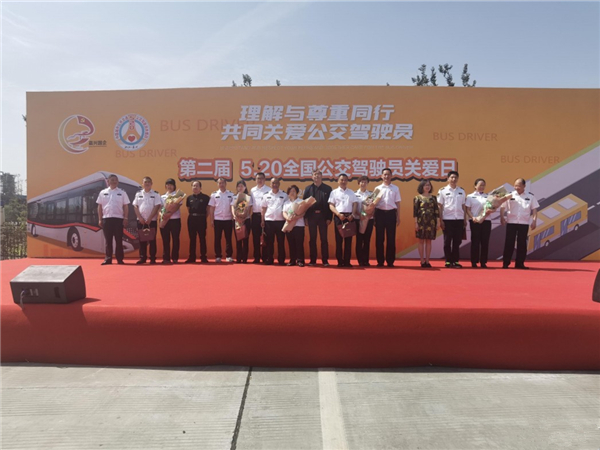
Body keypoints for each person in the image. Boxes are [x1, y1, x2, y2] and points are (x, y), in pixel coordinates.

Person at [501, 178, 539, 269]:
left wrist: (534, 221)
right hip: (511, 222)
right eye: (515, 185)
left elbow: (534, 209)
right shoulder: (509, 195)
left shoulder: (530, 196)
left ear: (524, 186)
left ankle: (520, 263)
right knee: (509, 243)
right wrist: (502, 217)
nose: (516, 187)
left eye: (519, 186)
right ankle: (506, 263)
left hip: (523, 223)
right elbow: (503, 207)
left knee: (522, 244)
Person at [96, 174, 130, 265]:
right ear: (108, 181)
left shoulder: (122, 192)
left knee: (119, 240)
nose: (114, 181)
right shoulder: (103, 192)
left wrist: (125, 218)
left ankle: (120, 259)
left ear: (117, 182)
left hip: (118, 219)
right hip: (106, 219)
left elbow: (126, 206)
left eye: (115, 180)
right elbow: (99, 206)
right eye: (112, 180)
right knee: (108, 240)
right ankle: (108, 259)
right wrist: (100, 219)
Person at [437, 171, 466, 268]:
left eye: (455, 177)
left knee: (457, 241)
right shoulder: (442, 191)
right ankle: (448, 261)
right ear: (448, 179)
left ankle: (456, 261)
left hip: (459, 219)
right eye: (452, 177)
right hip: (447, 219)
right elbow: (440, 206)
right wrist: (440, 220)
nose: (454, 179)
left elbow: (463, 206)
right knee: (447, 241)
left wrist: (464, 219)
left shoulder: (461, 191)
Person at [303, 170, 332, 267]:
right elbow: (304, 204)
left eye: (318, 174)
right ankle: (313, 260)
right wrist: (305, 218)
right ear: (312, 177)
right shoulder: (308, 189)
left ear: (321, 176)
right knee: (312, 239)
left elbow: (330, 204)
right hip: (311, 217)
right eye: (315, 175)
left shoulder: (327, 189)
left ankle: (325, 260)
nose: (317, 176)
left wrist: (329, 217)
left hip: (323, 217)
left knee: (324, 239)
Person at [329, 173, 358, 268]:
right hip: (339, 217)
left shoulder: (351, 192)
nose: (343, 181)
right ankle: (339, 261)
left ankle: (347, 261)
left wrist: (352, 214)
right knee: (339, 241)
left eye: (345, 180)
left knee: (348, 241)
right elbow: (331, 205)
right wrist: (338, 214)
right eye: (341, 180)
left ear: (347, 181)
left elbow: (355, 204)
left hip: (349, 217)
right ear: (338, 181)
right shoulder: (334, 192)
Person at [374, 168, 401, 267]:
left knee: (391, 238)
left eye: (388, 174)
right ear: (381, 176)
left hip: (391, 214)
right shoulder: (377, 188)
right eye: (384, 174)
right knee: (379, 238)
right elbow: (372, 203)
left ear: (391, 176)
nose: (386, 176)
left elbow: (398, 203)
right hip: (379, 213)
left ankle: (390, 261)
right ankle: (380, 261)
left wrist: (398, 216)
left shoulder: (395, 188)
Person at [132, 176, 162, 265]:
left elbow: (157, 206)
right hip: (140, 220)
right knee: (142, 240)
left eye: (149, 182)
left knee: (152, 240)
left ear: (151, 184)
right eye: (145, 182)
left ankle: (152, 258)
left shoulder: (156, 194)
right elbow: (135, 206)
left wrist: (150, 218)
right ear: (142, 184)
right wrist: (140, 218)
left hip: (151, 220)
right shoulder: (138, 194)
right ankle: (142, 258)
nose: (147, 183)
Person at [465, 178, 492, 268]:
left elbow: (491, 208)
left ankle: (483, 262)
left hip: (486, 221)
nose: (482, 187)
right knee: (475, 241)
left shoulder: (488, 196)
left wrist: (485, 215)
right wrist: (473, 217)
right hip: (475, 221)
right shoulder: (470, 196)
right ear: (475, 186)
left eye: (483, 185)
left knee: (485, 242)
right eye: (480, 185)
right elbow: (467, 209)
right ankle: (474, 261)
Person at [261, 177, 288, 265]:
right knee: (269, 242)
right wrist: (262, 220)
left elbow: (287, 208)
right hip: (269, 221)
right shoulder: (266, 195)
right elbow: (263, 208)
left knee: (281, 241)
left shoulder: (284, 195)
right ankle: (269, 259)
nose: (274, 185)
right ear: (270, 184)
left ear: (279, 184)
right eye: (273, 183)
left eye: (276, 183)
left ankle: (281, 260)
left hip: (281, 221)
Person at [413, 179, 439, 268]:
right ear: (422, 187)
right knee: (421, 241)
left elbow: (436, 211)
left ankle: (427, 261)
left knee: (428, 241)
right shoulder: (417, 198)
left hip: (431, 222)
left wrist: (437, 222)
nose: (427, 187)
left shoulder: (433, 198)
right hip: (421, 222)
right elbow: (415, 212)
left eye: (429, 185)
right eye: (425, 185)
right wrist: (416, 223)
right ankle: (421, 260)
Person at [208, 177, 234, 263]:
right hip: (217, 219)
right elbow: (211, 208)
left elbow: (233, 207)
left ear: (226, 184)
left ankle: (229, 255)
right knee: (217, 238)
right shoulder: (214, 194)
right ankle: (218, 256)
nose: (221, 184)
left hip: (228, 219)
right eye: (219, 183)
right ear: (217, 184)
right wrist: (212, 220)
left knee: (228, 238)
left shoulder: (231, 194)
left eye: (223, 183)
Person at [184, 181, 210, 264]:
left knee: (202, 238)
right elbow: (188, 209)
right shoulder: (189, 198)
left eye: (197, 186)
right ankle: (192, 257)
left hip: (201, 219)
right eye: (193, 186)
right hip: (191, 219)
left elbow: (208, 210)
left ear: (200, 188)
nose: (195, 187)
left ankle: (203, 257)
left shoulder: (206, 198)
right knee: (192, 239)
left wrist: (203, 217)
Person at [282, 185, 306, 267]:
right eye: (290, 191)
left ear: (297, 193)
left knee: (299, 243)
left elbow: (304, 213)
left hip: (299, 225)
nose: (292, 193)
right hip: (289, 225)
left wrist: (297, 217)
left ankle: (300, 260)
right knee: (291, 243)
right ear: (288, 193)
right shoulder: (286, 203)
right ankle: (292, 260)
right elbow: (284, 212)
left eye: (294, 191)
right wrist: (287, 218)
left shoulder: (301, 201)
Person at [250, 172, 270, 264]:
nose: (260, 180)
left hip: (265, 216)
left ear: (264, 179)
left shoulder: (268, 190)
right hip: (255, 216)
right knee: (255, 237)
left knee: (265, 237)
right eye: (258, 178)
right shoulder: (252, 190)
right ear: (255, 180)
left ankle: (265, 257)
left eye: (261, 178)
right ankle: (256, 257)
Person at [160, 178, 182, 264]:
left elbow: (177, 206)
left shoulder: (177, 195)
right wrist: (161, 215)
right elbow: (160, 208)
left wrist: (169, 214)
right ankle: (166, 258)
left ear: (174, 186)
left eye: (171, 185)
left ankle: (175, 257)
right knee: (165, 240)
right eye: (168, 185)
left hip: (175, 220)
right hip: (164, 220)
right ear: (165, 186)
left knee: (175, 239)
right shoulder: (162, 197)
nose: (169, 186)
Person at [355, 176, 375, 266]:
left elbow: (373, 206)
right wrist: (359, 214)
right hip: (358, 219)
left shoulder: (371, 194)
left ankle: (366, 260)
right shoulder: (354, 194)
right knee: (359, 240)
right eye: (361, 182)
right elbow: (353, 207)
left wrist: (371, 213)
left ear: (367, 183)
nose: (363, 184)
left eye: (365, 182)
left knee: (367, 240)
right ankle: (360, 260)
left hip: (369, 219)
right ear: (358, 183)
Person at [231, 180, 252, 264]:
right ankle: (238, 258)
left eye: (242, 186)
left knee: (245, 239)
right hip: (236, 220)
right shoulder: (234, 197)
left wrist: (244, 217)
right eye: (239, 186)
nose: (240, 188)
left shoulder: (248, 197)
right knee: (238, 240)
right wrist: (235, 216)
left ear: (245, 187)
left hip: (246, 220)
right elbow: (232, 207)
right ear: (237, 187)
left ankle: (244, 258)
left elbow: (249, 208)